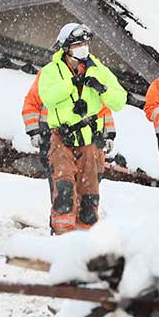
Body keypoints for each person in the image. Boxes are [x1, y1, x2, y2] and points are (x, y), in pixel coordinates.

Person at [38, 23, 127, 234]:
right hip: (63, 138)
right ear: (66, 47)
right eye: (78, 44)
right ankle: (61, 234)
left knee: (89, 195)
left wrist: (101, 88)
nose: (84, 48)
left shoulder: (99, 69)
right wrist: (72, 82)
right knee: (65, 189)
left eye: (86, 44)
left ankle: (84, 238)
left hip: (90, 140)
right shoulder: (51, 71)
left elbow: (120, 100)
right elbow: (48, 98)